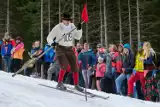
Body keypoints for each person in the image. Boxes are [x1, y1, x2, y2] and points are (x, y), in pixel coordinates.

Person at [47, 13, 83, 91]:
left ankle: (76, 85)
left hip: (70, 48)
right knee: (64, 65)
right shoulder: (58, 27)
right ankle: (59, 83)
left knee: (75, 66)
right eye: (66, 20)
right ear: (62, 20)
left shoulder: (72, 26)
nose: (67, 22)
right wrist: (52, 43)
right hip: (60, 48)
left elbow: (78, 37)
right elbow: (49, 37)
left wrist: (80, 29)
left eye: (68, 20)